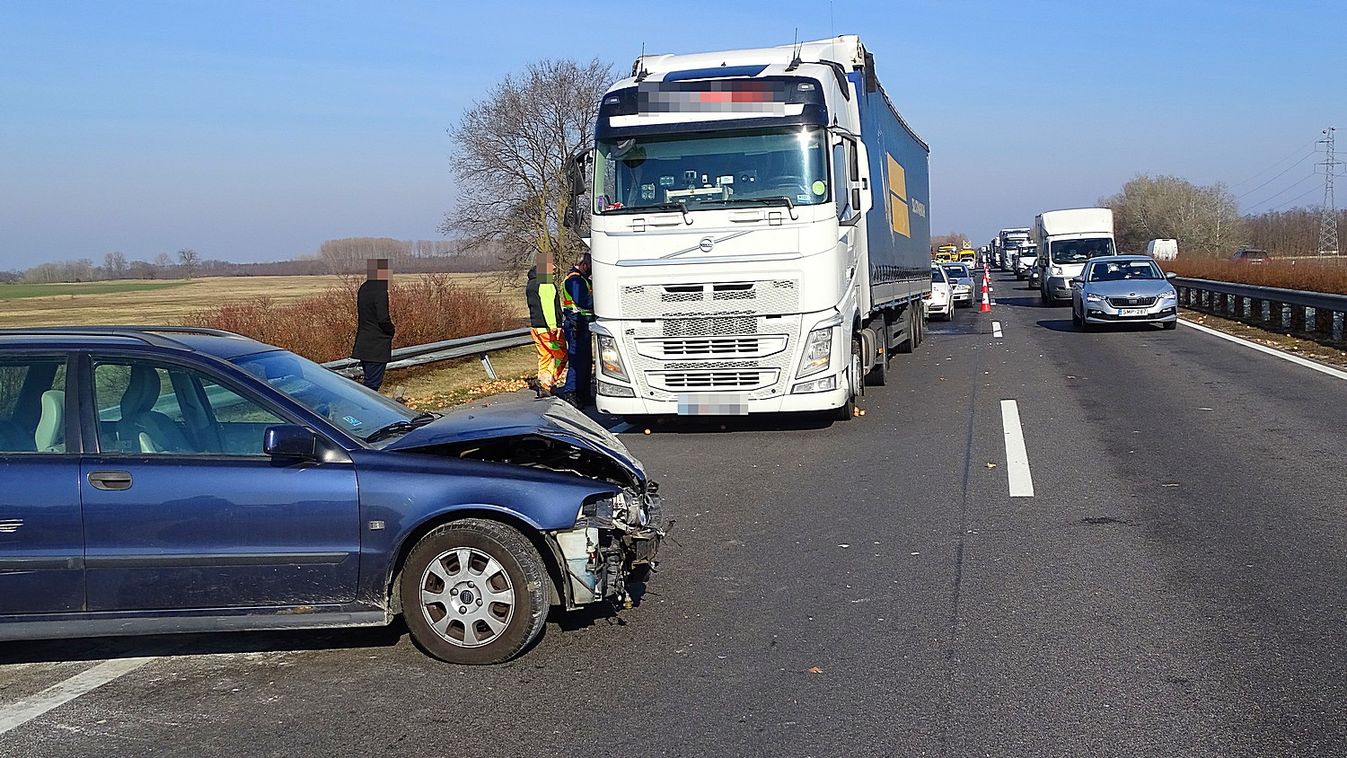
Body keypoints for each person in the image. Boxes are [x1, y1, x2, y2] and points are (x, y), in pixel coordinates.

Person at [351, 258, 395, 391]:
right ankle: (365, 410)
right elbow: (383, 318)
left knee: (369, 381)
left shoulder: (364, 288)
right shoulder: (380, 291)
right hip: (377, 345)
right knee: (372, 385)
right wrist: (391, 330)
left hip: (364, 342)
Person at [557, 253, 594, 407]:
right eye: (590, 267)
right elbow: (584, 301)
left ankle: (584, 394)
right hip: (576, 324)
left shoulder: (582, 279)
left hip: (582, 324)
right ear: (584, 265)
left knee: (585, 363)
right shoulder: (575, 280)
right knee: (577, 362)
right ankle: (571, 393)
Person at [524, 265, 566, 398]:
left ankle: (544, 383)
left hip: (536, 328)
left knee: (545, 357)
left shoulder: (531, 284)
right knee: (561, 356)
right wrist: (554, 325)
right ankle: (546, 383)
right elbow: (548, 306)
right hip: (549, 330)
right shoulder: (546, 283)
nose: (554, 271)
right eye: (552, 269)